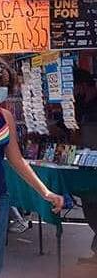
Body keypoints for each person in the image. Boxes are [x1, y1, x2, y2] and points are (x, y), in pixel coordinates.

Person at [0, 56, 64, 276]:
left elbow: (16, 159)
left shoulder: (5, 116)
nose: (2, 90)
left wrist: (45, 191)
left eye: (5, 85)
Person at [74, 68, 97, 264]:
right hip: (86, 163)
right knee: (90, 207)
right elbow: (70, 125)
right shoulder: (81, 104)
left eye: (75, 88)